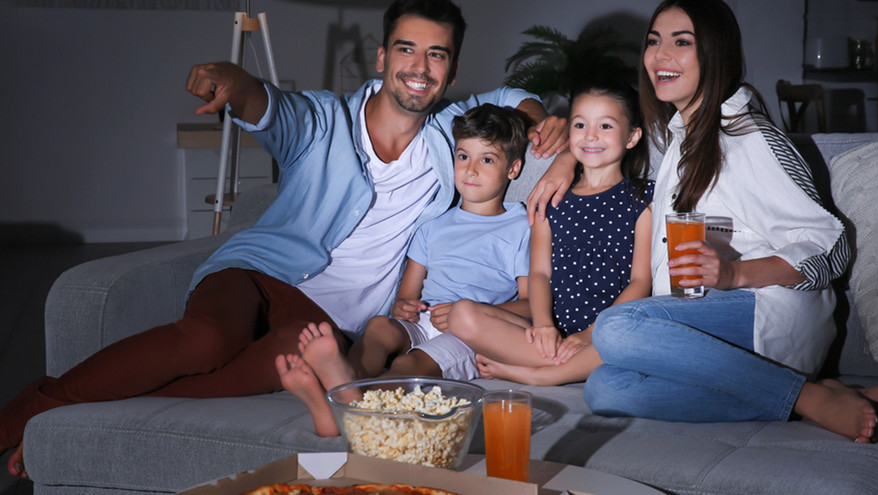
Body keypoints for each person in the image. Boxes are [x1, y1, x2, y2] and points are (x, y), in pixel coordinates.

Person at [0, 0, 569, 479]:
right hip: (256, 274)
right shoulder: (325, 119)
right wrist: (237, 82)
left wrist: (547, 123)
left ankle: (73, 418)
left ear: (450, 68)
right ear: (382, 56)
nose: (419, 67)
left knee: (285, 355)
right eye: (406, 49)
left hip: (325, 322)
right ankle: (33, 408)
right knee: (204, 342)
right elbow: (271, 107)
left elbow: (513, 96)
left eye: (436, 54)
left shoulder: (453, 133)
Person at [527, 0, 878, 443]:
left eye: (681, 42)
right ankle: (816, 394)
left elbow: (833, 247)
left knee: (616, 326)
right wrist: (566, 157)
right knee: (607, 388)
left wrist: (734, 272)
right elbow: (602, 131)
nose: (660, 55)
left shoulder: (747, 136)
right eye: (653, 41)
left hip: (764, 314)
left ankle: (806, 398)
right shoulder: (680, 134)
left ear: (714, 53)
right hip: (702, 328)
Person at [276, 103, 533, 436]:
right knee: (380, 326)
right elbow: (407, 296)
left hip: (470, 335)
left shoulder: (520, 226)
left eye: (486, 160)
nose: (470, 170)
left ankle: (338, 407)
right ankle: (341, 386)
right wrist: (403, 306)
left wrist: (472, 312)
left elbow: (530, 305)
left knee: (407, 366)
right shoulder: (433, 225)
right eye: (462, 156)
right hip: (424, 321)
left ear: (513, 169)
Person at [448, 80, 654, 386]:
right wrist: (544, 326)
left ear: (632, 136)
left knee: (637, 336)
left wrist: (590, 334)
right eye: (580, 124)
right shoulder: (551, 199)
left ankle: (540, 374)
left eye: (606, 126)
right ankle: (568, 364)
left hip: (609, 330)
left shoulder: (641, 199)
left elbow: (640, 282)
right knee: (461, 314)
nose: (591, 135)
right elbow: (540, 274)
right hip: (551, 333)